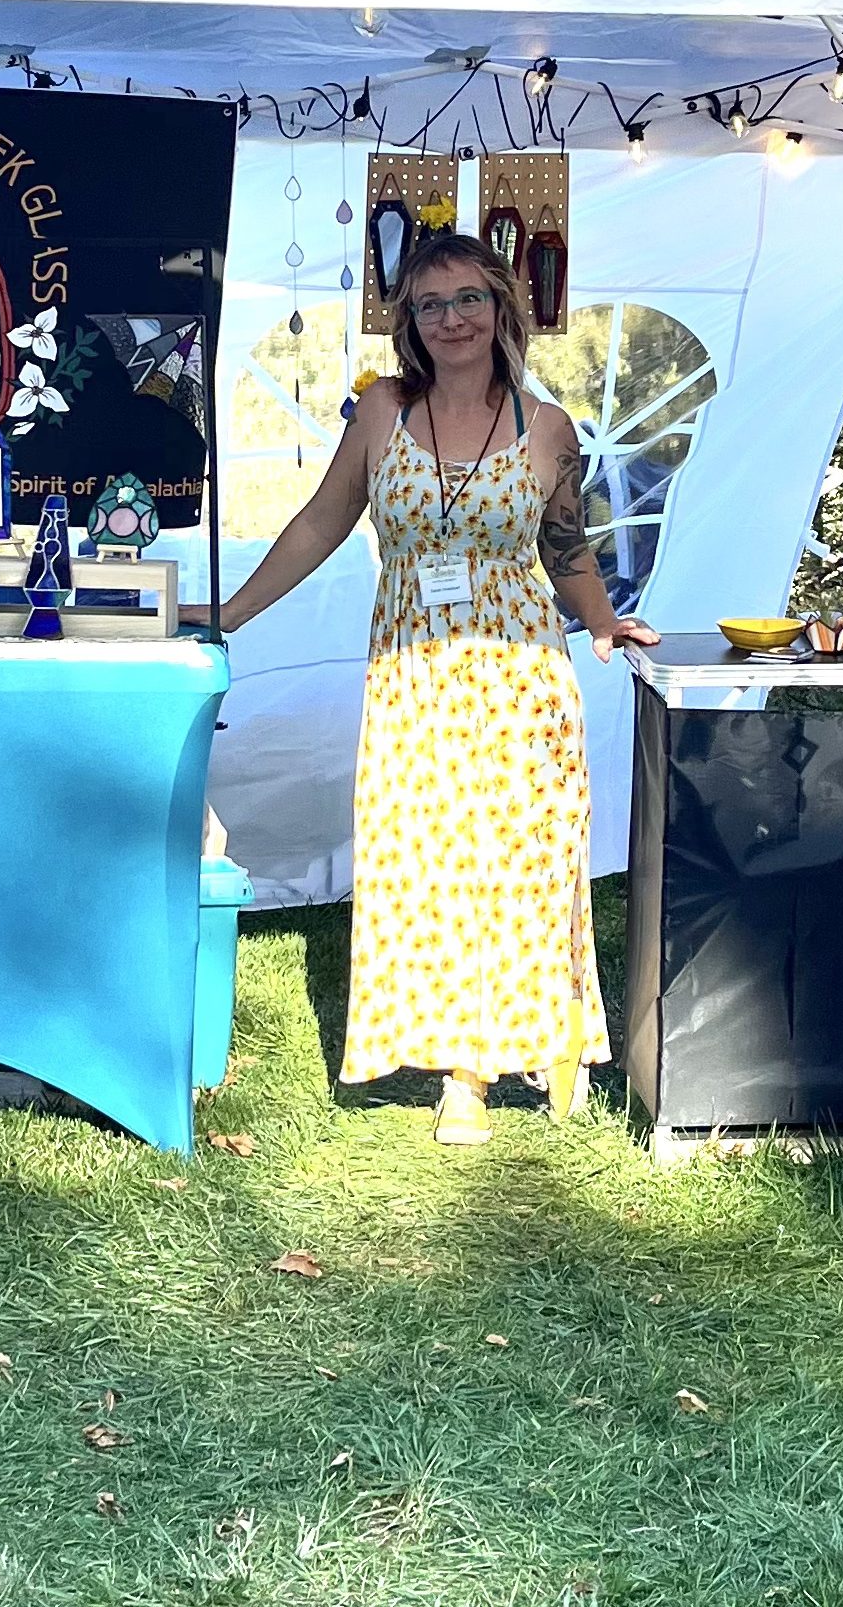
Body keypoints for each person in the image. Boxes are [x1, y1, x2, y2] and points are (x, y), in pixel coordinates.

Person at [194, 233, 657, 1143]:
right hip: (413, 678)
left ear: (501, 308)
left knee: (515, 863)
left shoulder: (546, 427)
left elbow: (564, 545)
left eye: (468, 299)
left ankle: (488, 1062)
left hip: (520, 678)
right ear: (408, 320)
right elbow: (320, 523)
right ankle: (469, 1047)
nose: (452, 319)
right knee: (424, 864)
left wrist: (603, 621)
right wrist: (231, 611)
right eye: (431, 303)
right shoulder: (381, 412)